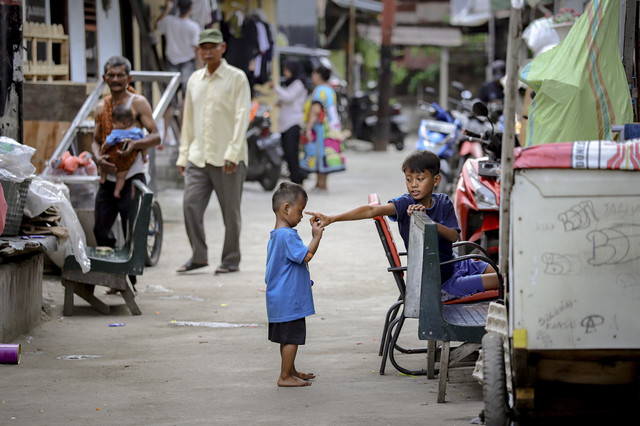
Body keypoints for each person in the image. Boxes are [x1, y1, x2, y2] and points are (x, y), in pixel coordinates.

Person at [306, 150, 499, 301]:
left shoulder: (443, 202)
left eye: (420, 179)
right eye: (408, 179)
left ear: (436, 180)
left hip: (456, 265)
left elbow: (453, 237)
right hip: (440, 284)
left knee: (503, 273)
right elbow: (371, 210)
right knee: (503, 281)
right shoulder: (404, 204)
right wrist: (332, 218)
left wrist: (429, 222)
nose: (413, 185)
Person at [176, 28, 251, 275]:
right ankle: (199, 256)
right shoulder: (194, 80)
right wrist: (183, 154)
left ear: (222, 48)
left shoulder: (237, 78)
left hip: (228, 158)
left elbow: (242, 116)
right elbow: (188, 120)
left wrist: (233, 152)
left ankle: (230, 259)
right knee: (190, 205)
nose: (207, 52)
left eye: (212, 47)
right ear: (198, 51)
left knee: (231, 213)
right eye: (203, 48)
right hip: (198, 156)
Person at [92, 55, 161, 250]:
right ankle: (115, 268)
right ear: (104, 78)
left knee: (131, 228)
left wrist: (135, 144)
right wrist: (98, 159)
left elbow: (156, 136)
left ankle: (130, 276)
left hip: (133, 175)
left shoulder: (138, 103)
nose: (115, 79)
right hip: (108, 175)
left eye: (120, 75)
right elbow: (95, 142)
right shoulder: (100, 107)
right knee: (100, 229)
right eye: (111, 75)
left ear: (128, 79)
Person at [266, 182, 323, 387]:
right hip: (290, 300)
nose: (300, 217)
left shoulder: (276, 235)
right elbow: (306, 256)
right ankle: (284, 376)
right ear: (286, 209)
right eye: (299, 211)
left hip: (279, 297)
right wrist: (316, 236)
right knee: (292, 339)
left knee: (286, 337)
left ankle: (290, 370)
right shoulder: (288, 235)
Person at [155, 0, 201, 138]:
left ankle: (166, 135)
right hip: (187, 63)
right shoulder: (193, 26)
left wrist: (167, 10)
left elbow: (157, 24)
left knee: (170, 100)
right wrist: (201, 68)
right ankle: (182, 135)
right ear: (191, 9)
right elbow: (197, 49)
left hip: (171, 63)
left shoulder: (169, 21)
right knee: (185, 101)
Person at [300, 65, 346, 192]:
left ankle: (321, 185)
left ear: (318, 75)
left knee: (319, 154)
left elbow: (315, 110)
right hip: (331, 128)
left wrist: (308, 128)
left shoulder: (319, 90)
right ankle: (320, 183)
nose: (312, 76)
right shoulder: (330, 90)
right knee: (326, 155)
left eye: (314, 73)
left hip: (320, 129)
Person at [271, 59, 307, 184]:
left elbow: (288, 97)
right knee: (287, 153)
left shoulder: (298, 84)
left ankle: (297, 180)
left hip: (293, 123)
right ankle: (294, 179)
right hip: (284, 125)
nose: (285, 73)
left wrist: (275, 87)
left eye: (287, 70)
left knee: (292, 154)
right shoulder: (290, 83)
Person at [99, 105, 147, 199]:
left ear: (123, 123)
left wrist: (102, 150)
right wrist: (144, 157)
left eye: (115, 123)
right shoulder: (137, 132)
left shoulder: (116, 132)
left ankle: (103, 178)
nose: (113, 125)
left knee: (104, 165)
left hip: (114, 159)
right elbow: (143, 146)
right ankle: (117, 191)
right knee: (121, 176)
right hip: (127, 162)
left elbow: (107, 143)